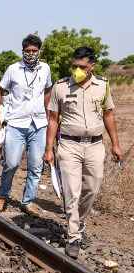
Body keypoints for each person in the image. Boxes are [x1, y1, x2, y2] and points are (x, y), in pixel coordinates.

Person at [44, 47, 122, 259]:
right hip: (69, 145)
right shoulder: (61, 87)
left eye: (82, 67)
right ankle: (73, 236)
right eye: (74, 66)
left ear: (92, 67)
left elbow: (109, 115)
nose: (77, 70)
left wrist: (115, 144)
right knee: (72, 191)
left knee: (92, 188)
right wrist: (48, 149)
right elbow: (52, 120)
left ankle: (80, 221)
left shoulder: (103, 86)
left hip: (96, 145)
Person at [0, 34, 52, 216]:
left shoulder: (45, 69)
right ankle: (3, 194)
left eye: (35, 50)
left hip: (39, 124)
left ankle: (28, 200)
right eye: (28, 51)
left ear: (39, 51)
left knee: (36, 166)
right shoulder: (13, 69)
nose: (31, 54)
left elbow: (48, 90)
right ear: (23, 51)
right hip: (16, 123)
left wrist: (48, 115)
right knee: (11, 163)